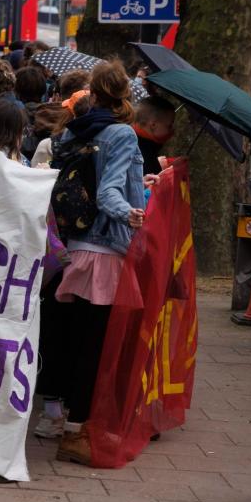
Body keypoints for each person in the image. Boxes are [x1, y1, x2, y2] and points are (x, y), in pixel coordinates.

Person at [48, 60, 146, 465]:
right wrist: (132, 212)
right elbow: (108, 194)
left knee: (75, 345)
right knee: (97, 350)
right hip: (106, 250)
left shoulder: (77, 128)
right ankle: (77, 432)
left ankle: (67, 426)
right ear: (124, 92)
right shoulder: (121, 132)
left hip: (78, 246)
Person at [132, 96, 176, 175]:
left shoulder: (126, 138)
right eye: (169, 125)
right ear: (153, 125)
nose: (173, 130)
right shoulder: (144, 158)